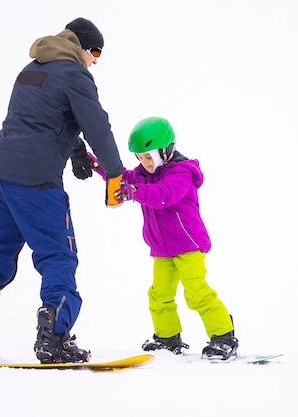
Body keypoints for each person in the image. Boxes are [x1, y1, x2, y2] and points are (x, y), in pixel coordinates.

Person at [0, 17, 125, 364]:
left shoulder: (31, 69)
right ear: (81, 47)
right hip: (37, 182)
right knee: (58, 255)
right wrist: (115, 174)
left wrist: (77, 154)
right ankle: (54, 339)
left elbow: (42, 118)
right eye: (95, 51)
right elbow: (97, 124)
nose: (96, 60)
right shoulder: (74, 73)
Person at [90, 116, 239, 360]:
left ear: (166, 150)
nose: (144, 162)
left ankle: (223, 336)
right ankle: (168, 338)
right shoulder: (143, 175)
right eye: (140, 157)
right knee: (159, 294)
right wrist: (96, 165)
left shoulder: (182, 173)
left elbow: (163, 194)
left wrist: (134, 192)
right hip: (162, 249)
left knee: (196, 292)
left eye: (149, 156)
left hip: (188, 246)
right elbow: (122, 177)